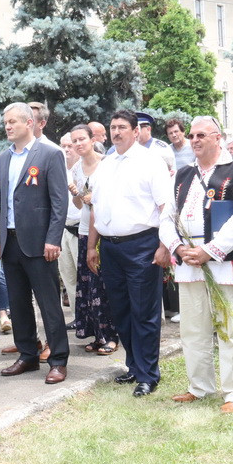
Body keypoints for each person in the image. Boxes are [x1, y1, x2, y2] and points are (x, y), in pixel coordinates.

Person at [160, 116, 233, 412]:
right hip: (187, 259)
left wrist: (210, 251)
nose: (194, 140)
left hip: (222, 258)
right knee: (192, 328)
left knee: (229, 328)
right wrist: (177, 247)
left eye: (201, 135)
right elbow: (166, 216)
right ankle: (199, 386)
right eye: (192, 135)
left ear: (218, 137)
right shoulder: (182, 174)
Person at [88, 110, 172, 397]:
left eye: (122, 127)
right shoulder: (106, 164)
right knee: (121, 311)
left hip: (142, 246)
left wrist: (164, 246)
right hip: (110, 248)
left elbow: (166, 207)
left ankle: (148, 375)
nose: (116, 132)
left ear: (136, 131)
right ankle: (134, 366)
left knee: (144, 312)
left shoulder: (151, 162)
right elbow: (96, 207)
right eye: (113, 127)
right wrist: (92, 246)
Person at [0, 102, 71, 385]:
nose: (8, 126)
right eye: (5, 122)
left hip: (39, 244)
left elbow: (59, 201)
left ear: (29, 123)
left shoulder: (49, 154)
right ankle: (27, 354)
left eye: (13, 121)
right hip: (10, 242)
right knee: (18, 302)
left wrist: (53, 239)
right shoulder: (3, 158)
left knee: (49, 304)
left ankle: (58, 360)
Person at [69, 124, 117, 355]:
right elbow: (79, 205)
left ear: (92, 140)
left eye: (82, 139)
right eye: (74, 141)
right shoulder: (76, 168)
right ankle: (98, 335)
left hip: (105, 230)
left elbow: (111, 199)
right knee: (89, 286)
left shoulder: (107, 164)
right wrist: (77, 194)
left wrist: (93, 199)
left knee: (104, 286)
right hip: (85, 230)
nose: (78, 144)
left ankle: (112, 336)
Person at [60, 132, 81, 325]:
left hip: (81, 230)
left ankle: (92, 319)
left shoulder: (82, 168)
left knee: (84, 278)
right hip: (63, 229)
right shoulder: (58, 168)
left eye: (70, 145)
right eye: (63, 146)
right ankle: (77, 317)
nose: (67, 149)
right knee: (68, 277)